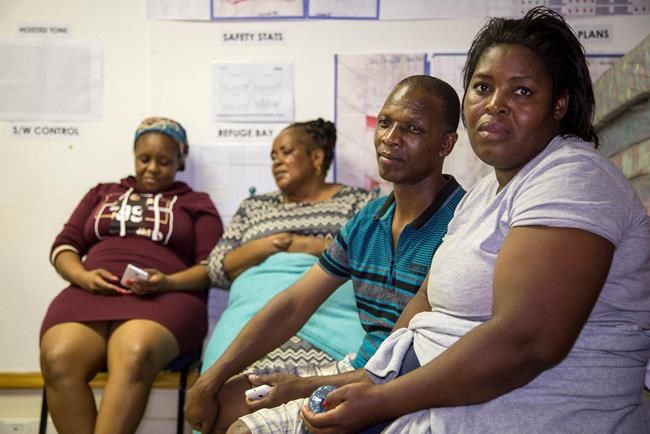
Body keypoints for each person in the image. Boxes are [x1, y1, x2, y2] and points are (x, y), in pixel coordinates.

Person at [301, 7, 650, 434]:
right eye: (483, 87)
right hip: (423, 397)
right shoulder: (486, 190)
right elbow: (426, 300)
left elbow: (526, 343)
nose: (495, 105)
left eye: (522, 92)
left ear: (559, 105)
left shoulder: (574, 178)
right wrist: (365, 381)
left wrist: (379, 400)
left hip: (528, 416)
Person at [185, 74, 466, 434]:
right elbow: (293, 305)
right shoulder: (368, 220)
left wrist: (300, 387)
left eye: (412, 128)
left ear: (445, 143)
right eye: (385, 122)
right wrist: (210, 379)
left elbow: (403, 361)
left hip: (411, 387)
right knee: (225, 400)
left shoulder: (462, 223)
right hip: (361, 370)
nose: (390, 138)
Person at [39, 117, 224, 434]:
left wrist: (167, 282)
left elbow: (211, 269)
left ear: (180, 160)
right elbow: (64, 246)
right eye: (144, 159)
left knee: (135, 353)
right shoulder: (103, 193)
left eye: (164, 161)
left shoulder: (196, 203)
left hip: (166, 297)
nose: (152, 168)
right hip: (90, 292)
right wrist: (82, 276)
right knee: (59, 357)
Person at [202, 119, 376, 377]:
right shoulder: (254, 206)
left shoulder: (360, 201)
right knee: (227, 385)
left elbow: (375, 258)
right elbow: (216, 269)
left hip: (331, 310)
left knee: (339, 388)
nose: (277, 162)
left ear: (316, 157)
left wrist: (307, 245)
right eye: (273, 157)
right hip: (252, 318)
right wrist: (268, 246)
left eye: (286, 152)